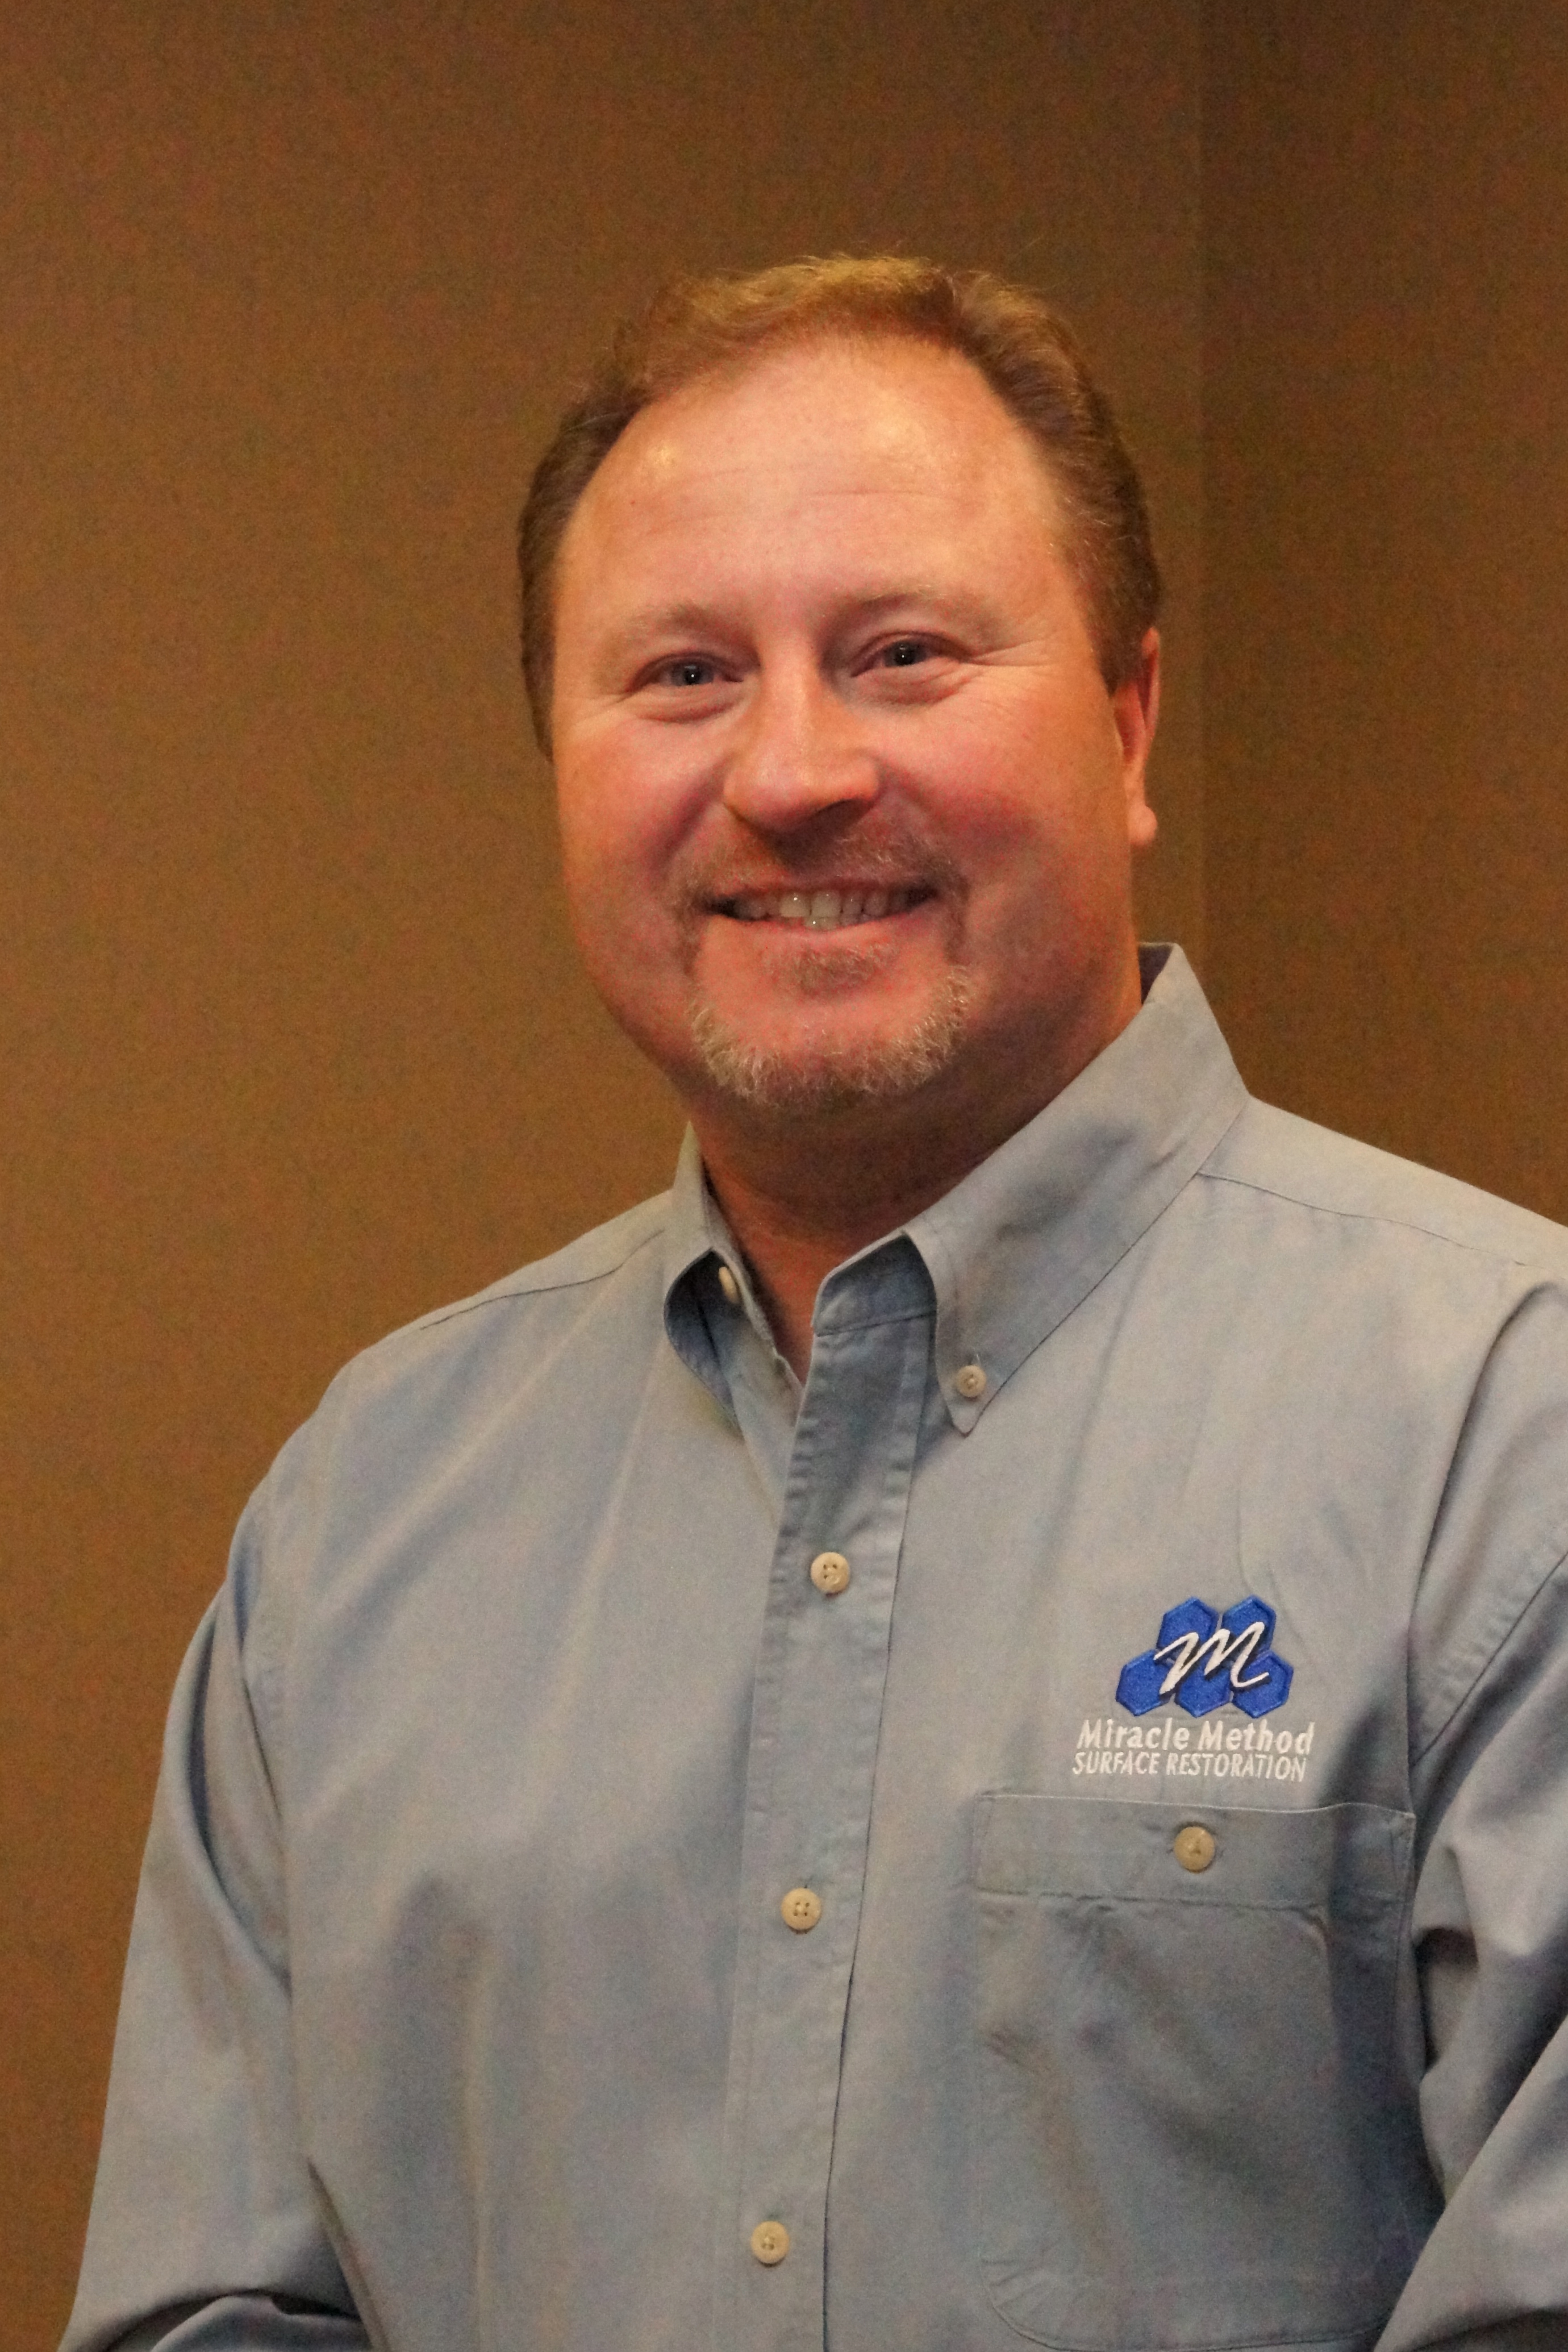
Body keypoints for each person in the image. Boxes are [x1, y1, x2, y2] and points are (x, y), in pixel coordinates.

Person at [65, 258, 1568, 2352]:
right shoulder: (355, 1529)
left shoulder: (1506, 1440)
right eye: (683, 673)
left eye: (903, 653)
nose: (791, 769)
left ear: (1130, 718)